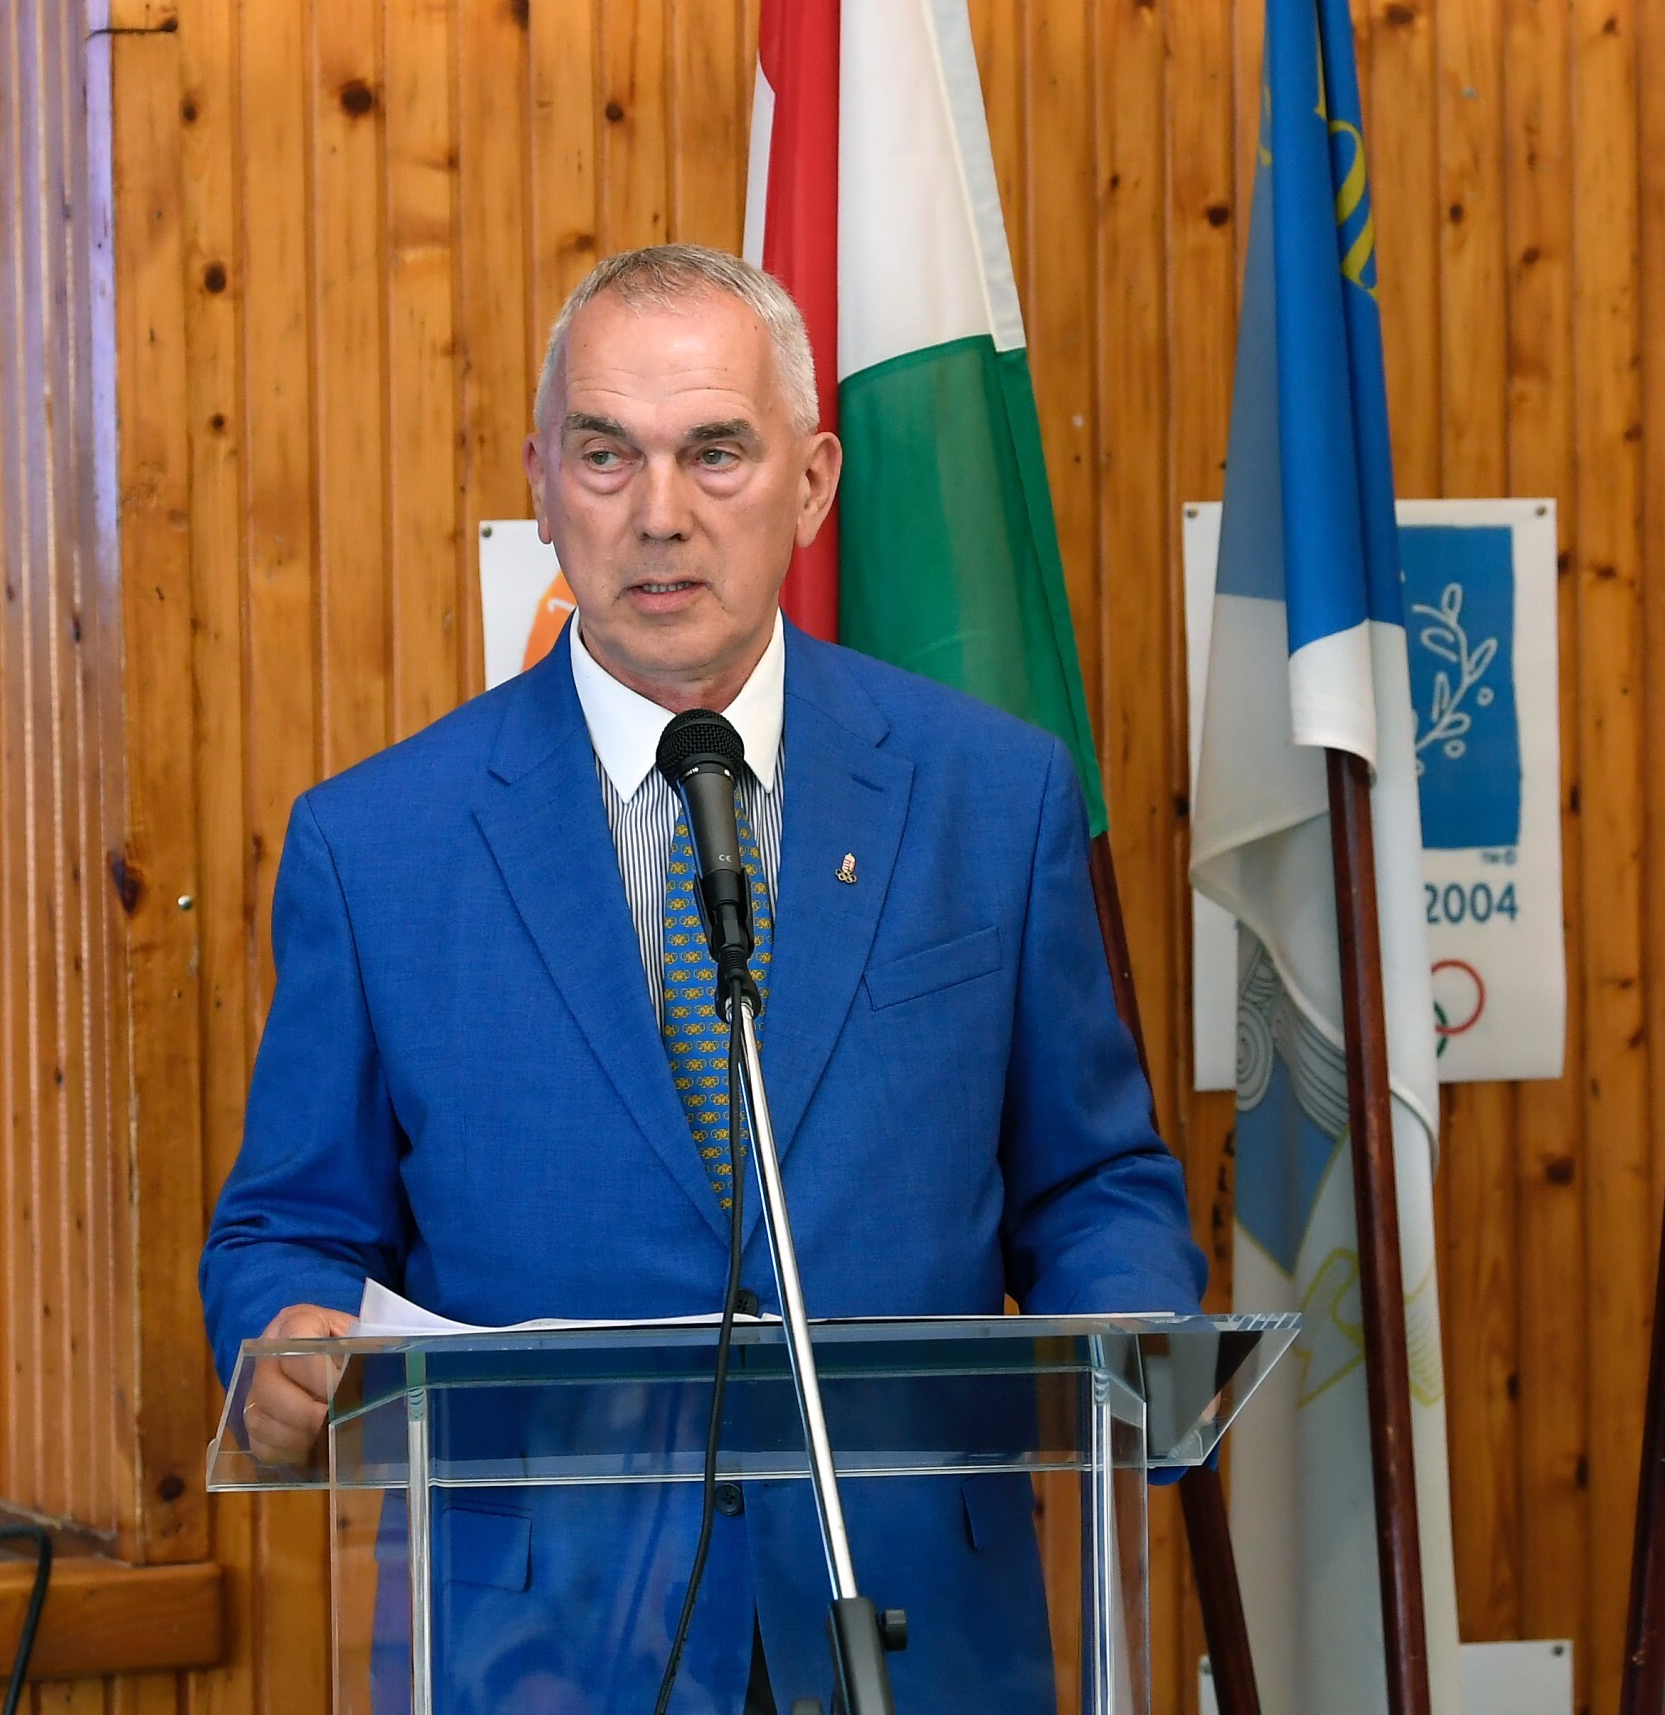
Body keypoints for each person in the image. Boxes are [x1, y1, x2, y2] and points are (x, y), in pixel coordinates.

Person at [199, 243, 1205, 1712]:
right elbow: (286, 1227)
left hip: (912, 1620)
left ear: (812, 483)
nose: (659, 512)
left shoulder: (991, 796)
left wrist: (1137, 1339)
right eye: (606, 454)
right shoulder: (380, 844)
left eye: (716, 452)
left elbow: (1094, 1180)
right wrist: (287, 1332)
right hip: (545, 1648)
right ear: (542, 482)